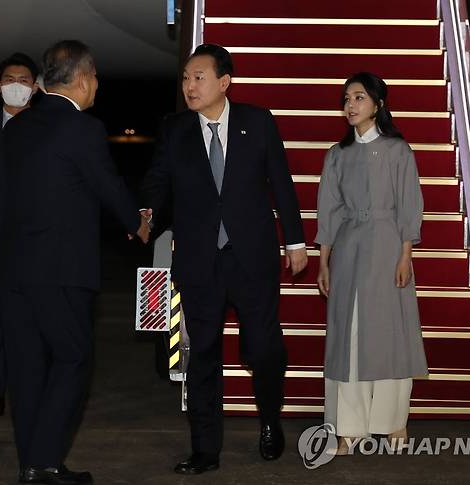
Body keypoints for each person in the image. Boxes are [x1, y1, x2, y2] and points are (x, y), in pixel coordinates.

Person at [141, 44, 308, 474]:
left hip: (251, 258)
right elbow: (157, 183)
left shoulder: (257, 121)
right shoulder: (175, 128)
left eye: (198, 77)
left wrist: (295, 241)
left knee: (263, 348)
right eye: (185, 78)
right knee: (203, 355)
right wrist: (143, 218)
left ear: (224, 82)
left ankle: (269, 422)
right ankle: (205, 449)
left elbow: (281, 183)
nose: (189, 86)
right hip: (199, 260)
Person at [0, 40, 150, 484]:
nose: (97, 84)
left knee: (26, 370)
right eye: (95, 76)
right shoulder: (81, 127)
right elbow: (108, 186)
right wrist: (137, 223)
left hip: (15, 268)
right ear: (81, 78)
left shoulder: (18, 126)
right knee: (73, 359)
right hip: (61, 270)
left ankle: (31, 463)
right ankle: (44, 462)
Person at [315, 72, 428, 454]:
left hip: (388, 247)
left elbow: (409, 204)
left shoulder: (398, 151)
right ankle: (348, 430)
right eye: (347, 98)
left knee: (389, 336)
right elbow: (328, 210)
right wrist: (324, 261)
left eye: (359, 97)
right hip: (348, 249)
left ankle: (394, 423)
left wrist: (406, 254)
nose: (350, 105)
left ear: (378, 104)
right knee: (348, 337)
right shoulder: (337, 154)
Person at [0, 52, 39, 420]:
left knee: (34, 324)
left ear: (36, 87)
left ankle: (31, 392)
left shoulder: (47, 128)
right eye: (10, 80)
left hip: (35, 244)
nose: (17, 86)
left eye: (24, 80)